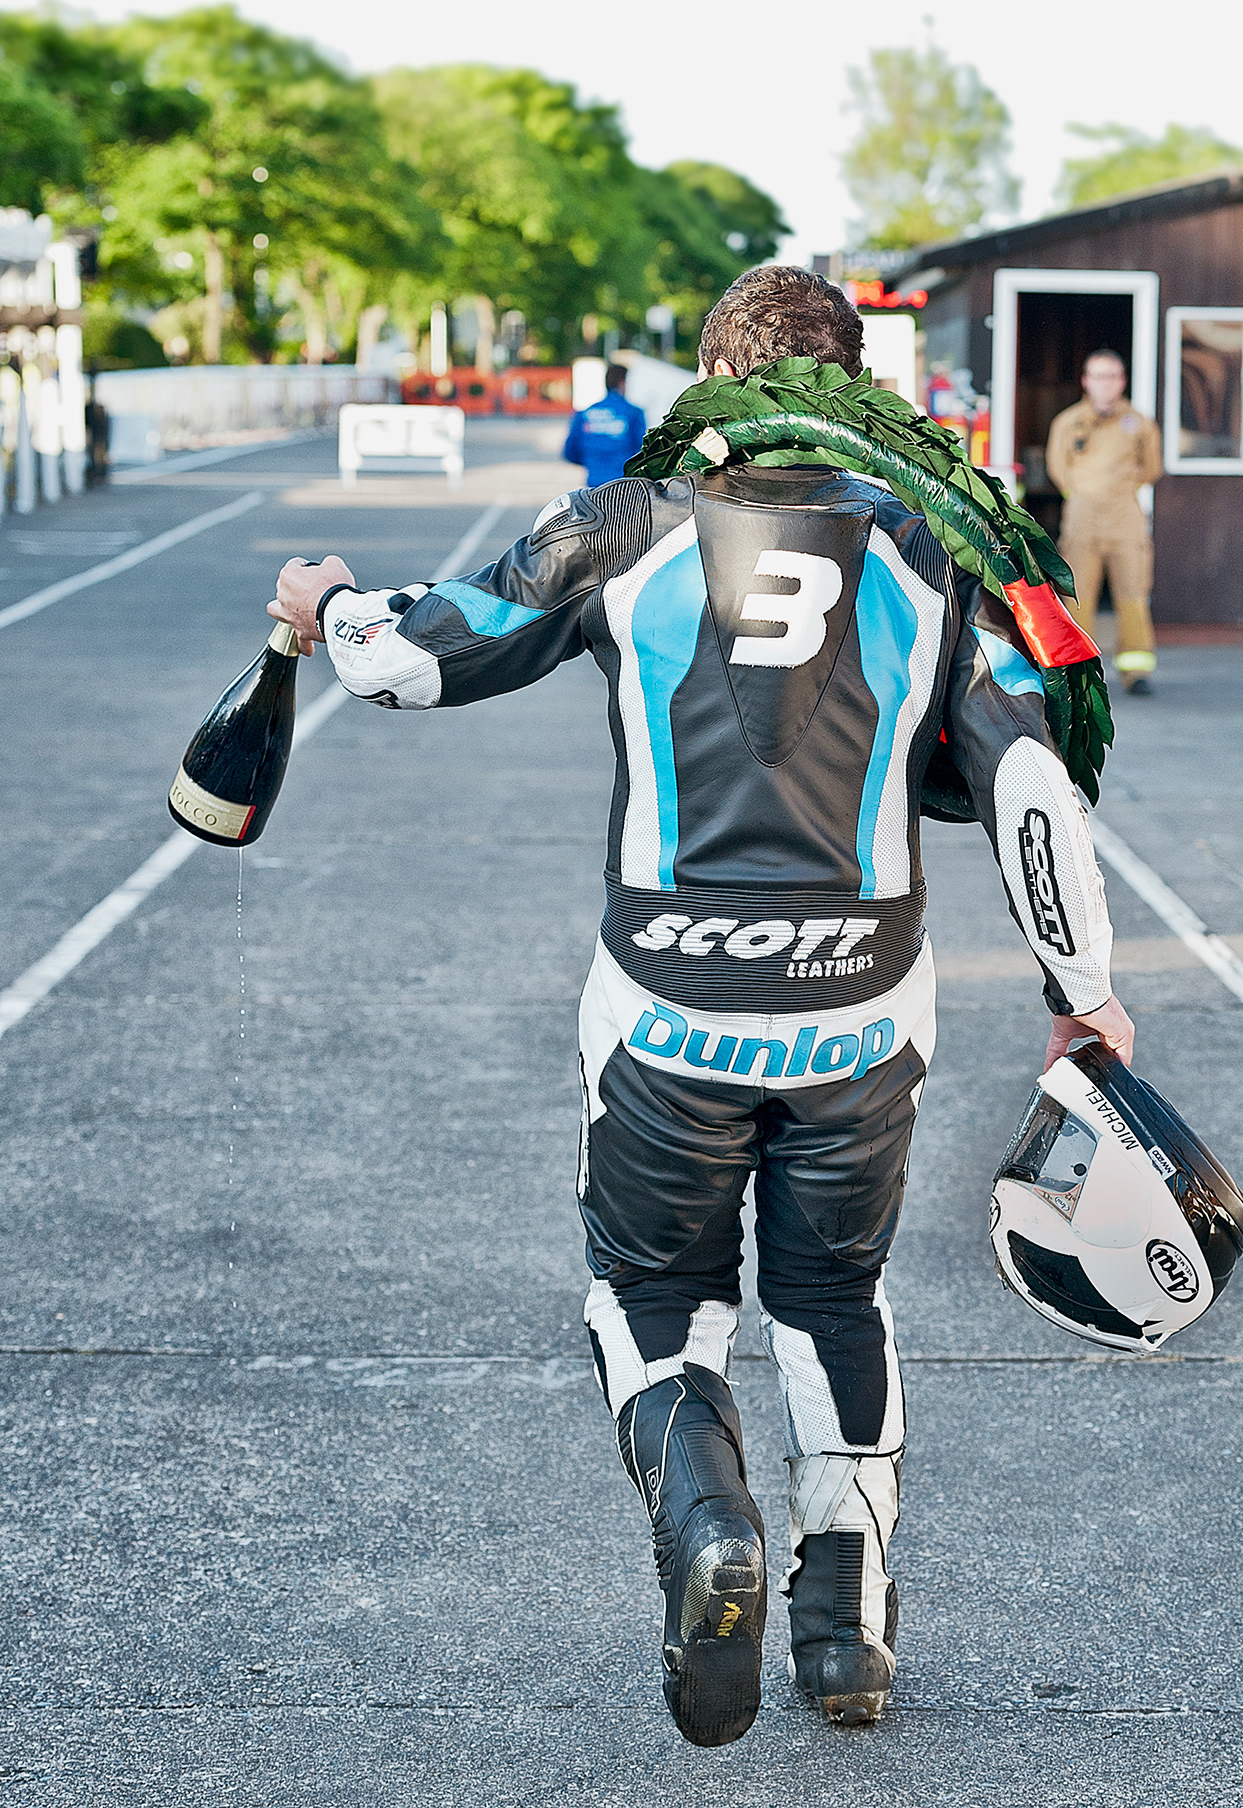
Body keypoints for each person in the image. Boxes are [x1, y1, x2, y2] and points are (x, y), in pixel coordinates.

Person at [269, 265, 1133, 1748]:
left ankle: (707, 1517)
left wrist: (326, 603)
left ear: (719, 380)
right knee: (835, 1300)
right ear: (855, 388)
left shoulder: (625, 521)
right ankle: (844, 1635)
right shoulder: (933, 544)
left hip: (665, 1010)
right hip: (867, 1017)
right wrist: (1085, 995)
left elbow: (404, 662)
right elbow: (1036, 785)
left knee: (650, 1296)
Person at [1045, 349, 1162, 695]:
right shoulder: (1068, 422)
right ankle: (1078, 675)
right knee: (1078, 595)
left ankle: (1136, 670)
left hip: (1125, 515)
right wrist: (1084, 494)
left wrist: (1119, 491)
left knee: (1134, 591)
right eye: (1098, 376)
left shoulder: (1139, 423)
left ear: (1122, 382)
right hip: (1082, 517)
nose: (1105, 384)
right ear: (1086, 381)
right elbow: (1058, 468)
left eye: (1112, 376)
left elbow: (1152, 468)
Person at [563, 361, 648, 486]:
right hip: (625, 485)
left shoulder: (585, 413)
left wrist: (593, 463)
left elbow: (570, 451)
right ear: (622, 382)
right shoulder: (634, 413)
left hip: (594, 485)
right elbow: (643, 451)